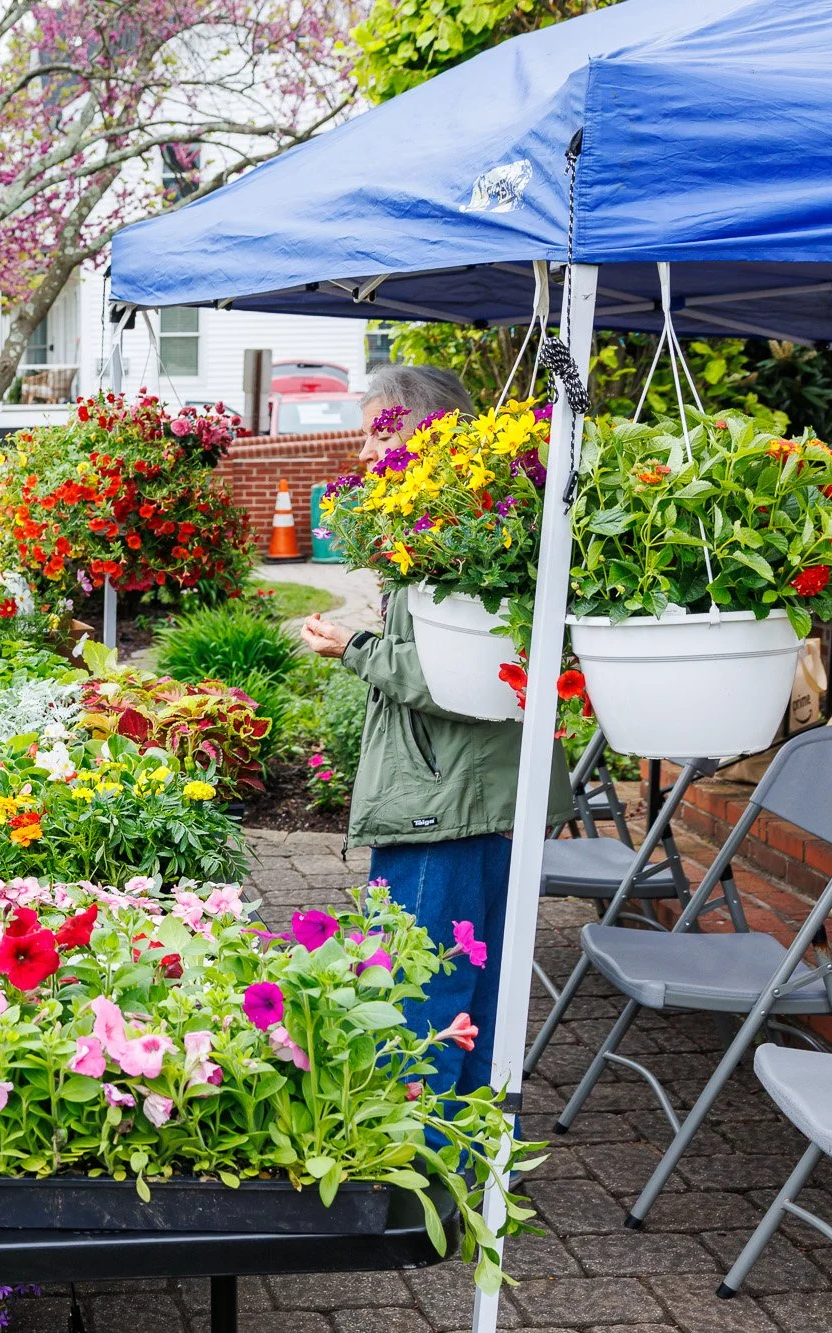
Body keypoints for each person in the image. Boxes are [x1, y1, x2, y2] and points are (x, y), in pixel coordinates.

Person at [299, 364, 568, 1099]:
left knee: (421, 998)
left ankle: (417, 1180)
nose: (360, 457)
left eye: (371, 436)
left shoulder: (461, 529)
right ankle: (469, 1171)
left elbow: (469, 680)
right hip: (471, 792)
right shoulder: (469, 520)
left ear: (420, 433)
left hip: (444, 801)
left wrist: (355, 649)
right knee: (479, 1000)